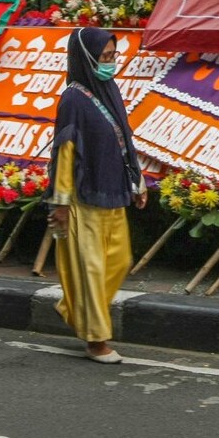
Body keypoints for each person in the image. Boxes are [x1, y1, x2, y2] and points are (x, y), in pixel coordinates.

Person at [44, 27, 146, 364]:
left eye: (113, 56)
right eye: (104, 57)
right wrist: (59, 203)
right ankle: (96, 340)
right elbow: (65, 151)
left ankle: (73, 308)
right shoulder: (73, 99)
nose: (111, 63)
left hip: (113, 191)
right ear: (86, 58)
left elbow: (122, 139)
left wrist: (138, 181)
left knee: (119, 262)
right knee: (90, 270)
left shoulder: (109, 89)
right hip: (80, 199)